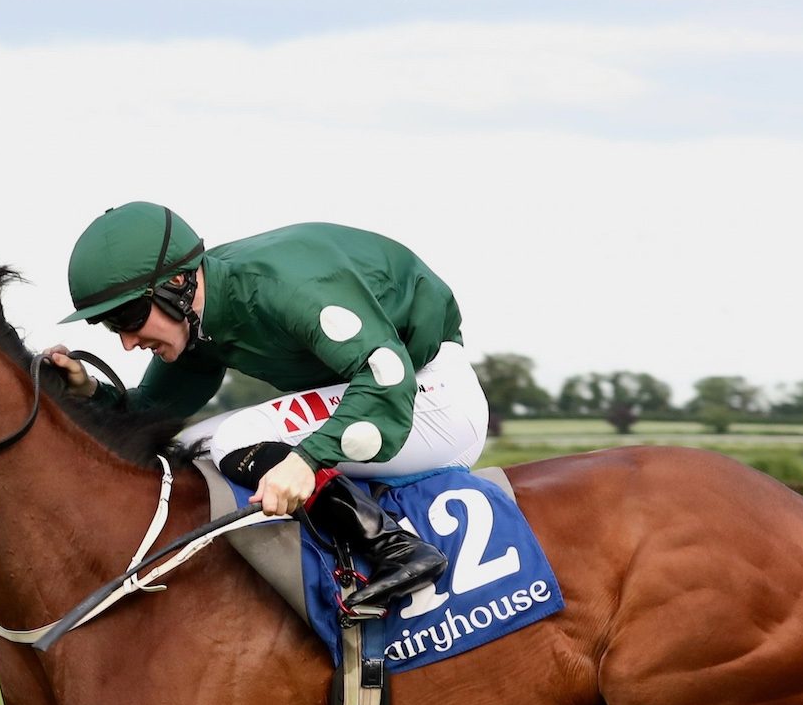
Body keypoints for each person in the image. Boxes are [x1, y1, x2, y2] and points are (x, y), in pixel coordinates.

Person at [48, 203, 488, 611]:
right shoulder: (203, 315)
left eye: (127, 317)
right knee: (187, 445)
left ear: (177, 285)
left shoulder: (284, 285)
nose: (126, 342)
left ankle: (397, 548)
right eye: (110, 326)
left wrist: (308, 461)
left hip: (428, 396)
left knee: (237, 438)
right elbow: (151, 418)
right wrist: (90, 392)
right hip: (372, 395)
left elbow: (387, 378)